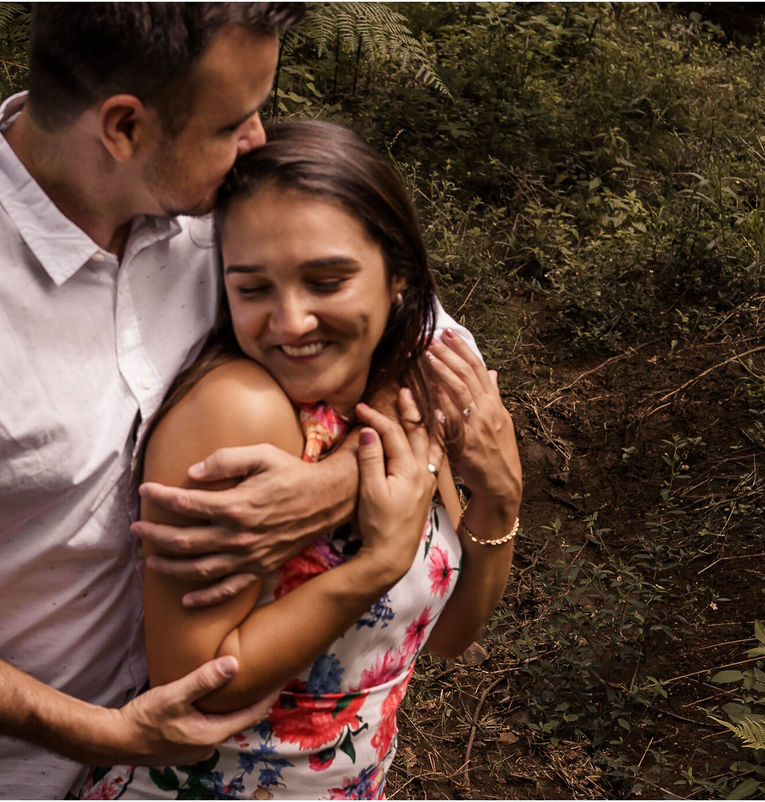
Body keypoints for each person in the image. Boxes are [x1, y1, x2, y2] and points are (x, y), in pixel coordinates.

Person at [0, 5, 481, 800]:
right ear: (124, 127)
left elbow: (424, 342)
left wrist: (332, 485)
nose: (256, 140)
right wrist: (105, 731)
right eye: (233, 121)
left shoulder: (219, 208)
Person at [75, 120, 522, 799]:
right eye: (253, 289)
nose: (289, 321)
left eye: (326, 280)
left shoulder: (403, 398)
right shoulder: (239, 412)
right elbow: (193, 686)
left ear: (398, 276)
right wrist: (373, 566)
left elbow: (449, 634)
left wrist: (501, 499)